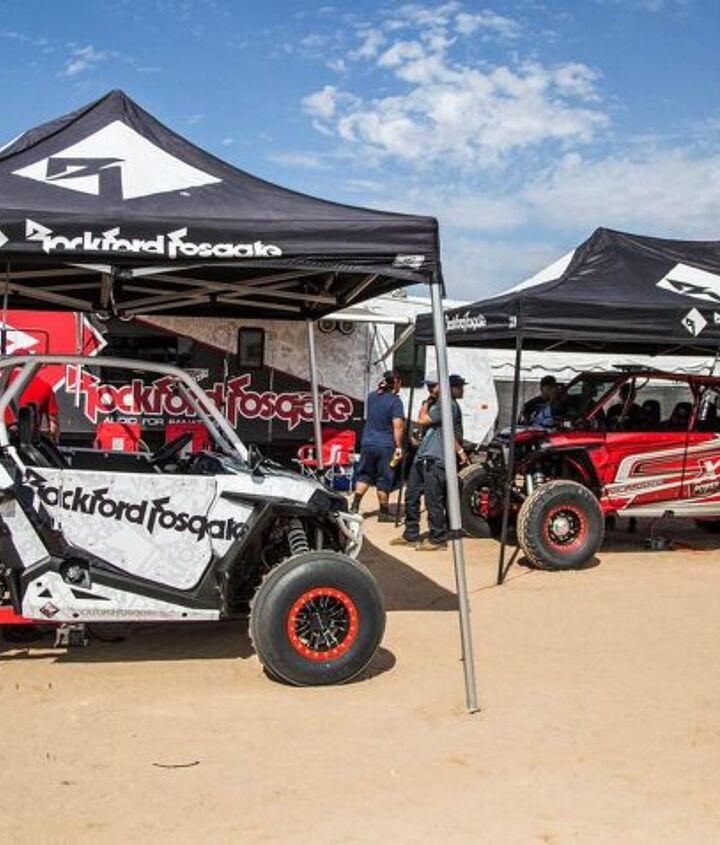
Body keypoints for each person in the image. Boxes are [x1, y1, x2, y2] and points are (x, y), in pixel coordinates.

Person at [391, 373, 468, 551]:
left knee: (433, 500)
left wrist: (425, 404)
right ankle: (410, 534)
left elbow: (422, 419)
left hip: (436, 458)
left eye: (432, 386)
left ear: (443, 386)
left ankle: (437, 539)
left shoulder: (447, 405)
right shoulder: (438, 404)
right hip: (424, 456)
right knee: (411, 495)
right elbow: (440, 431)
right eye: (428, 386)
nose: (429, 389)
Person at [351, 370, 404, 521]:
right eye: (399, 382)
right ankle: (384, 513)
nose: (400, 385)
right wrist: (399, 447)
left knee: (364, 475)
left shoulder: (372, 397)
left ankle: (354, 506)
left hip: (367, 443)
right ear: (395, 383)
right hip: (386, 445)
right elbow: (398, 427)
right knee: (384, 478)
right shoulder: (395, 402)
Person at [4, 368, 60, 442]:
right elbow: (53, 424)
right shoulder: (44, 386)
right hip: (28, 443)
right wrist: (53, 443)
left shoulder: (3, 383)